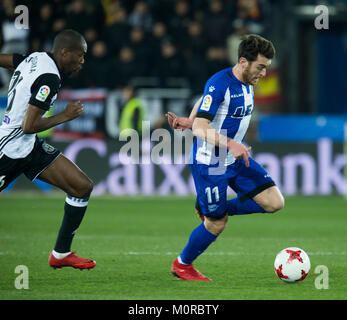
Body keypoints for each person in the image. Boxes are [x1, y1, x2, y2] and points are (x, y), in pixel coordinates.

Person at [166, 34, 285, 281]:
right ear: (243, 61)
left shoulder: (248, 81)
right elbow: (200, 129)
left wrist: (191, 118)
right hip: (211, 163)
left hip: (234, 158)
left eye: (266, 68)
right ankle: (182, 264)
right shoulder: (220, 82)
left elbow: (203, 102)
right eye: (260, 67)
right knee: (217, 225)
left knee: (274, 202)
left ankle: (213, 209)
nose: (263, 74)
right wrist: (223, 139)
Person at [0, 29, 96, 270]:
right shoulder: (50, 78)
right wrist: (65, 115)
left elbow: (11, 60)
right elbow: (29, 125)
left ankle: (61, 254)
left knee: (81, 186)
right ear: (64, 53)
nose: (82, 62)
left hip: (28, 148)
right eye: (80, 56)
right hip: (7, 150)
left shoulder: (36, 57)